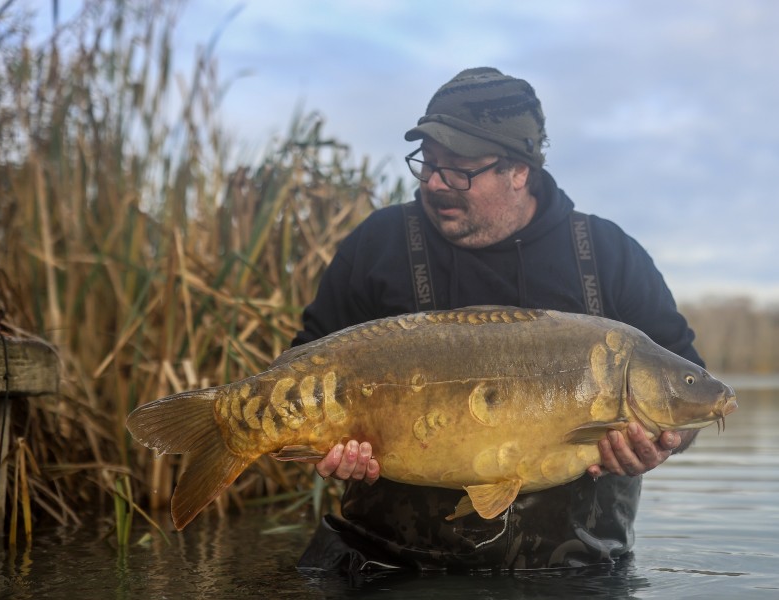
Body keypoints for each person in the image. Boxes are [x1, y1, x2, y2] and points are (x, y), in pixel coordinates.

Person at [292, 67, 704, 574]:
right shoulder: (378, 245)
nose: (436, 182)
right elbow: (300, 377)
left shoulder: (607, 255)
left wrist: (661, 445)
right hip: (394, 570)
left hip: (575, 575)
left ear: (519, 171)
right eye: (429, 163)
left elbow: (687, 395)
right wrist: (325, 449)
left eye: (460, 169)